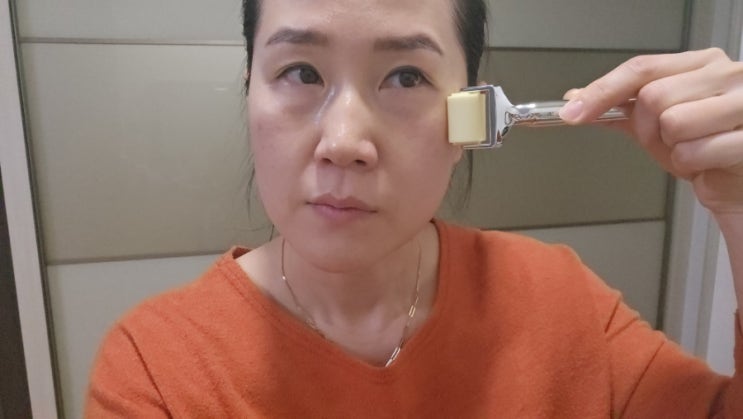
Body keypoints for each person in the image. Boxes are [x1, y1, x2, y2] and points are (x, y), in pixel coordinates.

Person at [85, 0, 743, 417]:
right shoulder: (158, 371)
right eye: (301, 72)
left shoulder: (560, 302)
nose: (344, 142)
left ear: (469, 117)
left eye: (406, 77)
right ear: (249, 92)